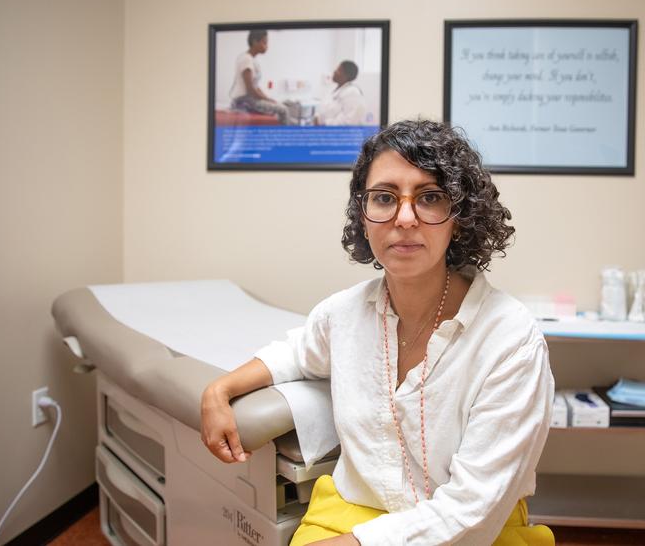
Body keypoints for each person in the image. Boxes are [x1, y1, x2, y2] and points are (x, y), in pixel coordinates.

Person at [201, 120, 555, 545]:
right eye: (385, 198)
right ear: (364, 216)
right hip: (350, 513)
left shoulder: (509, 341)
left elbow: (472, 512)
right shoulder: (344, 314)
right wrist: (219, 391)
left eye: (430, 198)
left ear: (459, 218)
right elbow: (295, 353)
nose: (404, 218)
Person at [229, 29, 293, 125]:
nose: (267, 46)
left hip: (249, 99)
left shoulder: (251, 60)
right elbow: (250, 89)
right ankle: (285, 138)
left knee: (279, 104)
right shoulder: (246, 59)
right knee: (284, 110)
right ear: (255, 42)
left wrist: (268, 98)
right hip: (244, 100)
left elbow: (256, 86)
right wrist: (266, 99)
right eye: (265, 42)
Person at [314, 60, 368, 125]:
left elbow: (347, 121)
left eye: (338, 70)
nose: (334, 71)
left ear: (346, 75)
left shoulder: (353, 92)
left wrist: (324, 123)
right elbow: (324, 109)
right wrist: (317, 118)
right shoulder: (334, 90)